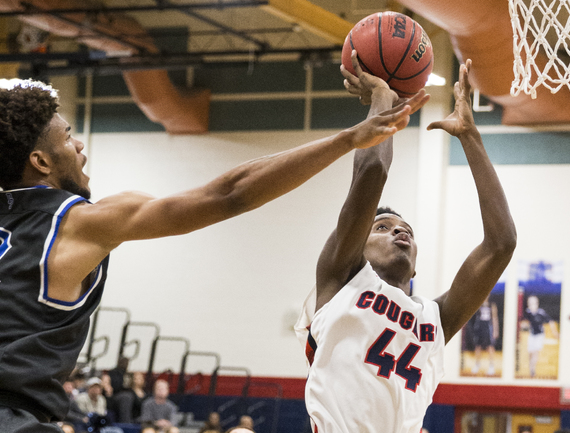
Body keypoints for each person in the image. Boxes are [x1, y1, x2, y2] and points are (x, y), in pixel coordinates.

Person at [0, 78, 427, 432]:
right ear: (39, 160)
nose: (80, 148)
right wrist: (350, 138)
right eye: (69, 138)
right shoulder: (74, 223)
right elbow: (228, 195)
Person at [295, 53, 516, 433]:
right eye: (381, 227)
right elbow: (372, 171)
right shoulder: (341, 281)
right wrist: (383, 96)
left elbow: (502, 243)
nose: (400, 232)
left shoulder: (434, 318)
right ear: (355, 247)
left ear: (416, 268)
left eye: (406, 231)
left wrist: (470, 136)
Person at [521, 295, 558, 377]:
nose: (531, 304)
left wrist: (554, 332)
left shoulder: (541, 312)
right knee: (530, 352)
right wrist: (524, 326)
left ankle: (532, 369)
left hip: (539, 335)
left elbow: (550, 321)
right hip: (532, 334)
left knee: (535, 352)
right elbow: (524, 323)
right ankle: (531, 367)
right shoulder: (528, 312)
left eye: (533, 302)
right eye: (530, 303)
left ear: (536, 303)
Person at [470, 297, 500, 375]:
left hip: (488, 327)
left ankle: (491, 366)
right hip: (479, 327)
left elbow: (495, 318)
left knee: (490, 347)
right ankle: (477, 365)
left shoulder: (492, 305)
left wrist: (495, 330)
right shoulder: (478, 304)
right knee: (478, 346)